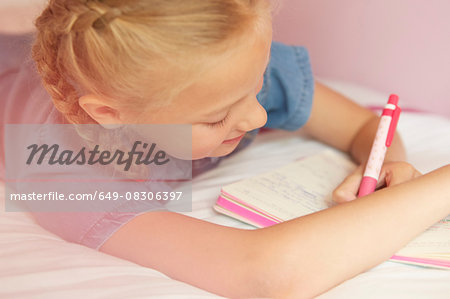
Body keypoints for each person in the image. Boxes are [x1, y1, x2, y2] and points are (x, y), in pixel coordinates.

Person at [1, 0, 449, 297]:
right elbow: (259, 272)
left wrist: (390, 164)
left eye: (257, 87)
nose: (257, 117)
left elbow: (363, 125)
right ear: (109, 113)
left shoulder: (223, 70)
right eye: (216, 118)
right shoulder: (66, 174)